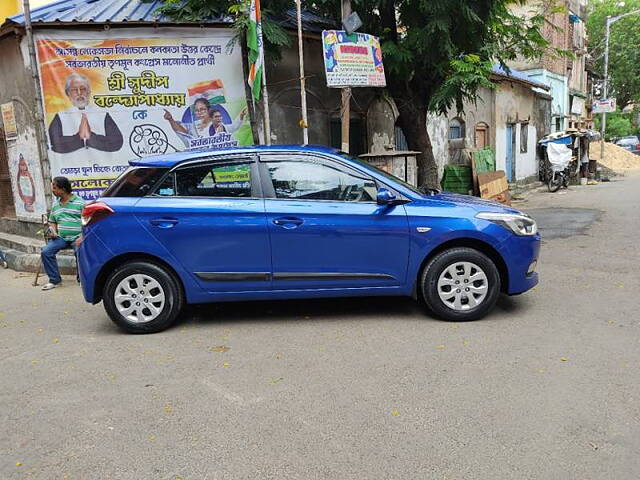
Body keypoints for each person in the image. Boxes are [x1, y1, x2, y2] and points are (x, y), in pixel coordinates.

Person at [48, 72, 123, 154]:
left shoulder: (102, 114)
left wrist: (91, 137)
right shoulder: (60, 116)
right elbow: (54, 144)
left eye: (83, 89)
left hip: (101, 166)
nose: (79, 93)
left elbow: (117, 143)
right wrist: (78, 138)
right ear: (68, 94)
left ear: (89, 92)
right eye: (74, 90)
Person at [41, 177, 85, 291]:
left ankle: (83, 280)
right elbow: (52, 221)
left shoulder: (80, 203)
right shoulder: (56, 205)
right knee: (46, 251)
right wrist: (53, 231)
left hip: (78, 237)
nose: (53, 190)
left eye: (54, 187)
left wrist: (82, 236)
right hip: (61, 238)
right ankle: (55, 280)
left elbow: (88, 221)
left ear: (63, 189)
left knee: (80, 251)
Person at [163, 98, 247, 147]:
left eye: (202, 109)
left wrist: (242, 115)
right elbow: (182, 132)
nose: (199, 112)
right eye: (197, 110)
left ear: (208, 110)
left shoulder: (217, 123)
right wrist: (171, 119)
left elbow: (234, 127)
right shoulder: (193, 126)